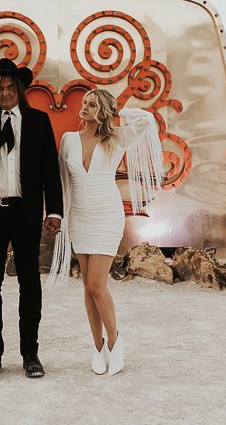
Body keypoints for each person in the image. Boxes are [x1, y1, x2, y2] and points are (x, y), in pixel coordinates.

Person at [46, 88, 164, 376]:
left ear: (103, 111)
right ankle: (97, 347)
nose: (84, 107)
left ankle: (115, 343)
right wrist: (57, 215)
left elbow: (146, 120)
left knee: (98, 286)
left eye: (92, 104)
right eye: (85, 103)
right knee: (88, 287)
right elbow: (62, 182)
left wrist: (116, 112)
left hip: (106, 216)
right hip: (80, 217)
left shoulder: (116, 138)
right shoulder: (69, 141)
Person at [0, 58, 63, 380]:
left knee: (30, 283)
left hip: (25, 211)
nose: (5, 93)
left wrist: (54, 210)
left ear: (19, 89)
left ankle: (30, 353)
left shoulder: (38, 121)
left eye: (9, 87)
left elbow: (49, 169)